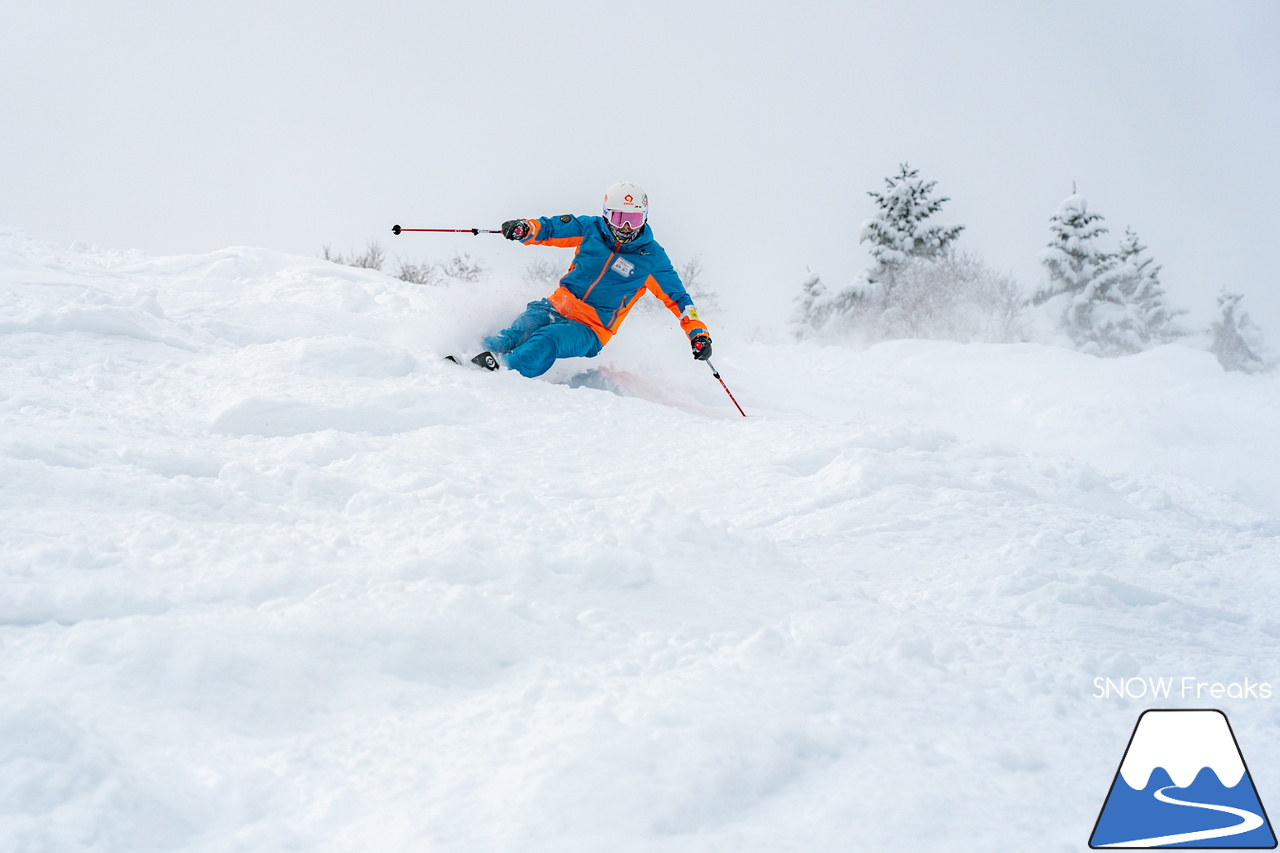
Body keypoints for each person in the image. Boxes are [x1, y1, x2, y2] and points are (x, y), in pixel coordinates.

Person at [469, 182, 712, 377]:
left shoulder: (652, 258)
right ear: (606, 215)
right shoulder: (590, 229)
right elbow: (551, 229)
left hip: (591, 327)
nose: (626, 227)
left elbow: (679, 299)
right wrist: (526, 228)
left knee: (546, 339)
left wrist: (698, 334)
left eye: (634, 220)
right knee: (519, 331)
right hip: (557, 306)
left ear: (645, 218)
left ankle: (501, 373)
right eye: (619, 219)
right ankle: (467, 356)